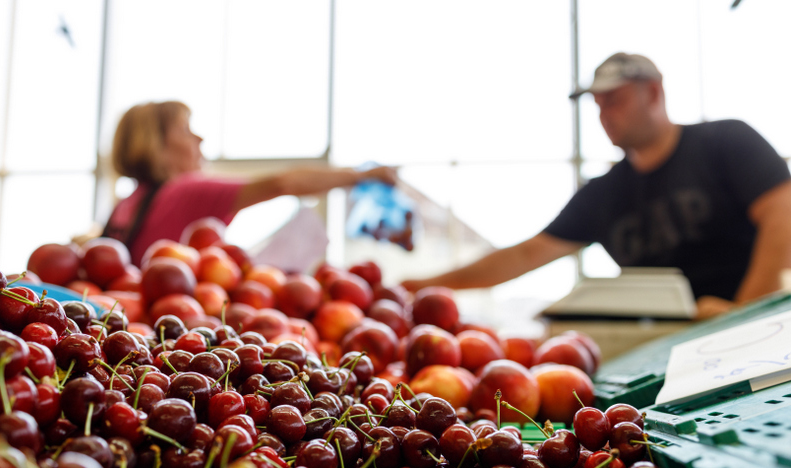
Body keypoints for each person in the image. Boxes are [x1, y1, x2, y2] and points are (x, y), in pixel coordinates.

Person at [402, 52, 791, 319]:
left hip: (765, 327)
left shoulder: (725, 142)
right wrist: (423, 286)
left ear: (654, 93)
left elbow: (782, 212)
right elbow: (525, 255)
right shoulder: (603, 195)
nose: (604, 115)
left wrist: (744, 312)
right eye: (598, 105)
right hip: (671, 342)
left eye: (614, 100)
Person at [103, 101, 397, 265]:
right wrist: (363, 175)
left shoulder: (126, 204)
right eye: (185, 129)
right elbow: (284, 183)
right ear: (157, 145)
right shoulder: (185, 191)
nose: (199, 139)